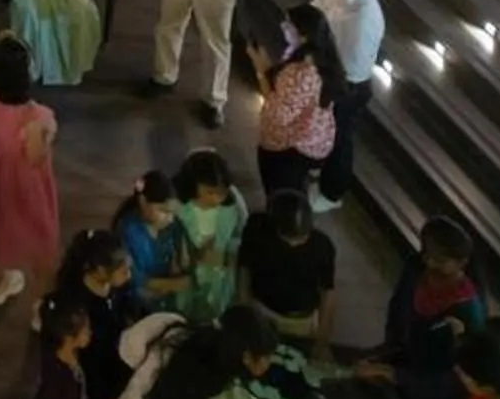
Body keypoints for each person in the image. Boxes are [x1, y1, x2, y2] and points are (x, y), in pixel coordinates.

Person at [0, 37, 62, 306]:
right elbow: (35, 158)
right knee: (36, 235)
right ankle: (42, 305)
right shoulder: (37, 117)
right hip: (23, 186)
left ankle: (1, 280)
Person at [383, 217, 489, 399]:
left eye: (440, 260)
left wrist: (397, 376)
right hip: (404, 364)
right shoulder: (415, 268)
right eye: (427, 254)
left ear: (462, 263)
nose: (430, 263)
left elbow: (456, 379)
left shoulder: (467, 311)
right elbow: (398, 311)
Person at [112, 307, 283, 399]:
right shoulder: (218, 392)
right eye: (267, 356)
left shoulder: (169, 326)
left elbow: (127, 350)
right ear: (246, 357)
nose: (270, 362)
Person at [310, 0, 383, 212]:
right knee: (324, 132)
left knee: (339, 139)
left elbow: (352, 65)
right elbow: (314, 13)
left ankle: (332, 193)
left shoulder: (365, 16)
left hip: (347, 86)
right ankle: (320, 169)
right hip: (325, 73)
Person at [250, 5, 344, 201]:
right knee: (292, 189)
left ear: (304, 35)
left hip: (290, 144)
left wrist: (260, 70)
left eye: (289, 24)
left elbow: (278, 112)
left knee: (281, 193)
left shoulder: (301, 71)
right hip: (314, 137)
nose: (283, 26)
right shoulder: (324, 57)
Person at [53, 229, 145, 399]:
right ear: (101, 270)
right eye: (122, 268)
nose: (128, 273)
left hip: (118, 359)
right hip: (95, 374)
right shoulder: (77, 304)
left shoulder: (116, 288)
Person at [236, 189, 337, 349]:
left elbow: (328, 293)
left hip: (300, 321)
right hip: (261, 310)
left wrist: (322, 340)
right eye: (289, 238)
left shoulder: (322, 246)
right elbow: (244, 269)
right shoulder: (257, 229)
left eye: (302, 237)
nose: (294, 243)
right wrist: (245, 309)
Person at [173, 150, 242, 320]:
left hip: (220, 282)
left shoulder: (232, 208)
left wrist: (226, 257)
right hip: (185, 281)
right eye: (210, 193)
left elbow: (239, 238)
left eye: (221, 192)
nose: (216, 199)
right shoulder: (177, 210)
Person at [114, 171, 195, 315]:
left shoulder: (172, 225)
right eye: (163, 211)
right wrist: (175, 284)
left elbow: (184, 259)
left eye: (172, 212)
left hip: (163, 298)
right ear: (143, 202)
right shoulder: (128, 231)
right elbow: (134, 279)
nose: (170, 218)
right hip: (135, 304)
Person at [21, 291, 97, 399]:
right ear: (69, 337)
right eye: (86, 330)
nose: (90, 332)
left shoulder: (55, 349)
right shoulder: (63, 384)